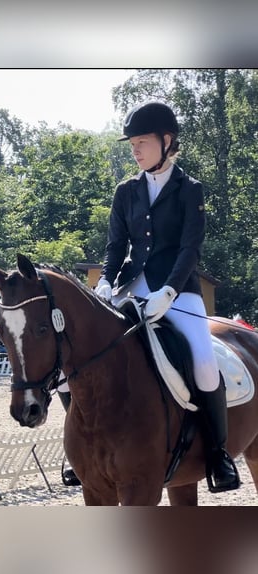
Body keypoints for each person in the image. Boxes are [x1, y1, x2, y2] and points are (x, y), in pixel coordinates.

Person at [88, 100, 239, 493]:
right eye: (132, 143)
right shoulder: (126, 191)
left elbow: (190, 248)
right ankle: (85, 452)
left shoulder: (190, 190)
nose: (134, 149)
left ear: (167, 141)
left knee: (205, 362)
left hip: (179, 291)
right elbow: (115, 244)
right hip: (131, 288)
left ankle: (219, 454)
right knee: (86, 351)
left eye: (141, 141)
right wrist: (105, 280)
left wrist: (170, 291)